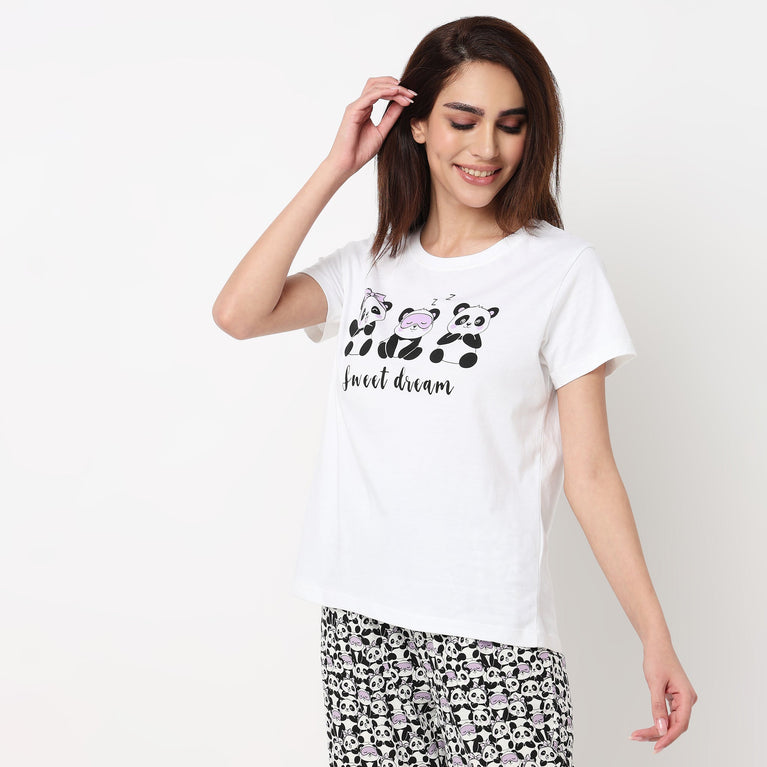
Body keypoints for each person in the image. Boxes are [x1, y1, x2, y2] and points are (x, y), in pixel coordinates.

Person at [212, 15, 697, 766]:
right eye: (462, 121)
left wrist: (654, 635)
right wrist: (337, 166)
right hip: (363, 621)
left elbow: (591, 472)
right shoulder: (370, 266)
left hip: (491, 633)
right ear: (415, 125)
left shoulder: (561, 271)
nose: (486, 149)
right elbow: (238, 314)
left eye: (510, 125)